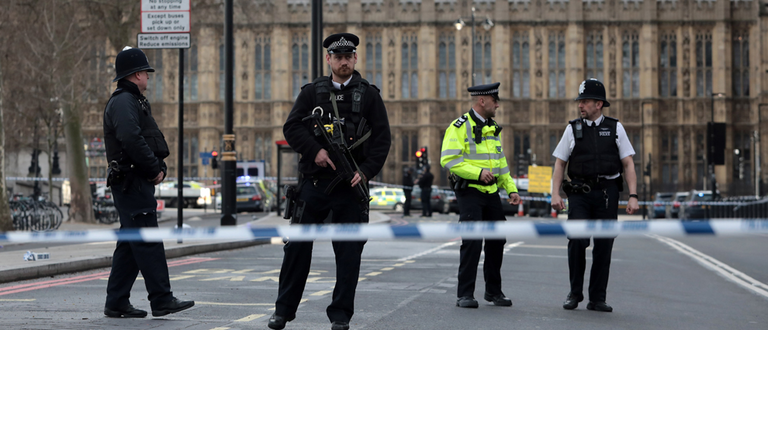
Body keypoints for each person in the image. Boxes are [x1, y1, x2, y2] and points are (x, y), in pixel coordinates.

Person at [268, 33, 391, 330]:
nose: (344, 61)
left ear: (355, 59)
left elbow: (382, 139)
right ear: (329, 60)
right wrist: (316, 151)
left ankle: (340, 314)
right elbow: (292, 126)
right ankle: (283, 310)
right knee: (296, 249)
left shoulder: (369, 94)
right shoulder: (312, 93)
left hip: (350, 185)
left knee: (348, 255)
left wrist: (365, 171)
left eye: (349, 56)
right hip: (315, 183)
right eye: (338, 57)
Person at [102, 47, 194, 318]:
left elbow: (148, 137)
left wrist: (158, 165)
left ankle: (116, 301)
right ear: (136, 74)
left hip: (135, 181)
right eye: (145, 72)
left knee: (130, 244)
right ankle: (162, 299)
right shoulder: (122, 101)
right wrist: (154, 169)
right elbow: (131, 138)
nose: (148, 77)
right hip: (131, 181)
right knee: (148, 240)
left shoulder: (134, 100)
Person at [550, 78, 639, 313]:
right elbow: (560, 164)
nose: (580, 105)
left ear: (599, 104)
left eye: (585, 101)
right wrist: (555, 193)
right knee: (577, 242)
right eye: (580, 101)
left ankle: (597, 298)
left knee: (604, 246)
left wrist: (633, 195)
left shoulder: (615, 128)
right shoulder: (572, 129)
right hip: (579, 193)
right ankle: (574, 293)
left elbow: (628, 164)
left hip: (607, 194)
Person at [440, 82, 521, 308]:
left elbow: (500, 163)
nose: (498, 105)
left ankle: (493, 292)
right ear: (482, 101)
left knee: (497, 239)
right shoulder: (459, 126)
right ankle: (465, 294)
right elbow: (448, 159)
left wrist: (511, 189)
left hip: (491, 192)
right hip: (470, 191)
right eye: (495, 100)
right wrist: (477, 173)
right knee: (472, 242)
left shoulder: (493, 128)